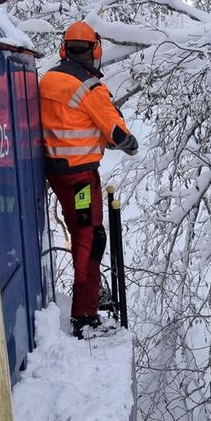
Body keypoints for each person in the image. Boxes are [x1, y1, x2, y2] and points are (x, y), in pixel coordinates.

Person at [39, 21, 138, 339]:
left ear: (64, 50)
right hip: (81, 179)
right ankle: (84, 316)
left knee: (83, 236)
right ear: (95, 51)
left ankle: (89, 298)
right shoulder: (91, 89)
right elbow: (118, 134)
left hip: (55, 173)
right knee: (91, 238)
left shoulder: (49, 79)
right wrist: (128, 143)